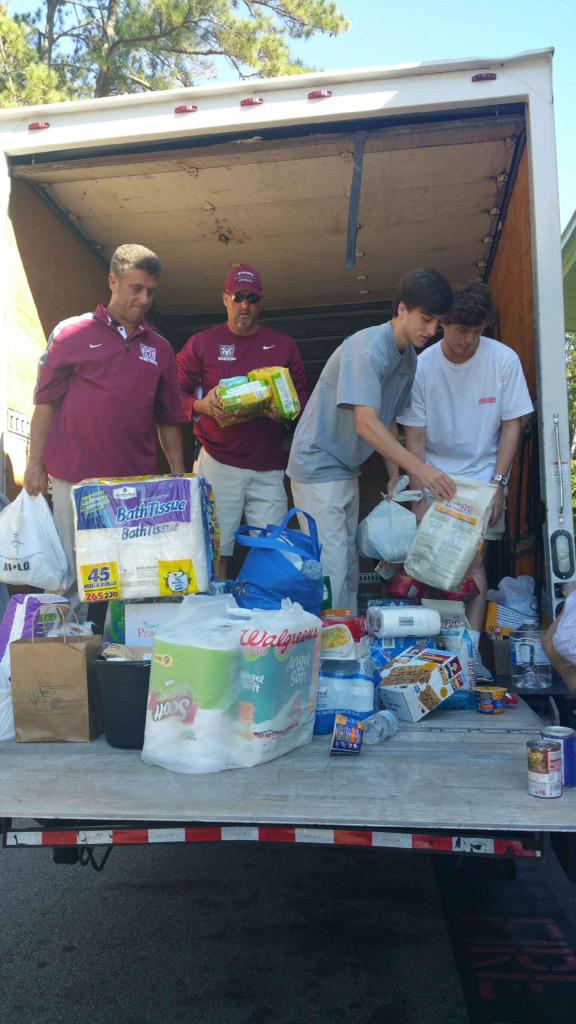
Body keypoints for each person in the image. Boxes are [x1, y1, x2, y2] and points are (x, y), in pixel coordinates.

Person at [23, 243, 187, 612]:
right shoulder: (71, 333)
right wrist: (36, 463)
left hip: (132, 488)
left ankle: (119, 658)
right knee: (70, 577)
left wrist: (178, 474)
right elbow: (45, 402)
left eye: (151, 291)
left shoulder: (160, 348)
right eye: (136, 288)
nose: (144, 299)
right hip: (73, 478)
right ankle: (66, 658)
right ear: (113, 281)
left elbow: (169, 418)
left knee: (131, 575)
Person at [287, 268, 456, 613]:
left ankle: (345, 640)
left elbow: (388, 418)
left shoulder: (408, 357)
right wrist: (422, 471)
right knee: (331, 568)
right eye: (426, 319)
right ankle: (328, 653)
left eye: (437, 322)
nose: (432, 331)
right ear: (403, 309)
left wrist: (396, 476)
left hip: (345, 468)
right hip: (316, 464)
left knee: (348, 563)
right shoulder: (368, 350)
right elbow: (366, 423)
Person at [398, 280, 534, 676]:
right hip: (435, 474)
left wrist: (499, 486)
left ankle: (469, 659)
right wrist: (422, 491)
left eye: (477, 332)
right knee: (425, 565)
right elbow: (415, 435)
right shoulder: (423, 366)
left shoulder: (503, 359)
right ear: (442, 325)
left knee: (473, 564)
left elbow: (512, 424)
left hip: (483, 476)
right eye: (461, 331)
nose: (469, 340)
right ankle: (427, 656)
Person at [177, 264, 308, 578]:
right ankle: (214, 614)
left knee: (274, 549)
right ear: (225, 298)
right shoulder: (203, 343)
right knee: (215, 550)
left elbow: (303, 396)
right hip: (218, 462)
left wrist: (288, 411)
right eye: (238, 297)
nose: (245, 305)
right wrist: (201, 406)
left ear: (261, 302)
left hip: (268, 467)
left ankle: (264, 615)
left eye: (252, 298)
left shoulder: (282, 345)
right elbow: (170, 392)